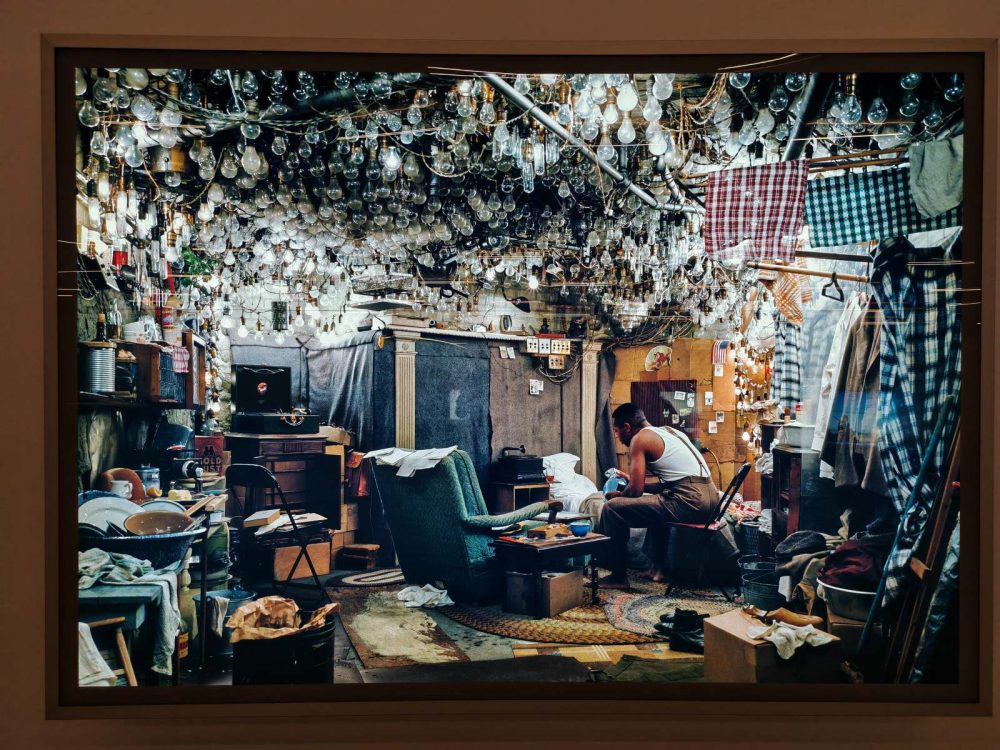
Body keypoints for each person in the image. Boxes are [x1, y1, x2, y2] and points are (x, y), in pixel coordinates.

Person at [598, 403, 722, 588]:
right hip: (712, 500)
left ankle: (618, 577)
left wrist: (619, 495)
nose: (616, 436)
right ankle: (657, 571)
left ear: (627, 427)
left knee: (611, 509)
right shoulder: (670, 431)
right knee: (657, 505)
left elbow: (635, 491)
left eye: (616, 431)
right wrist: (634, 484)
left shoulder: (639, 439)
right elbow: (668, 484)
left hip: (691, 501)